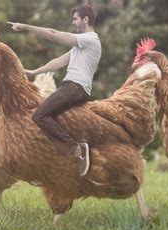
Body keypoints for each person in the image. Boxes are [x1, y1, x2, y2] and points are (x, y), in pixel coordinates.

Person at [8, 4, 101, 176]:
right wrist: (35, 71)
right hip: (72, 87)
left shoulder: (90, 40)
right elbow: (59, 61)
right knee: (46, 115)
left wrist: (26, 27)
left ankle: (76, 148)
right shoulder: (80, 47)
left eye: (75, 19)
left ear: (86, 19)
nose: (73, 23)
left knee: (39, 115)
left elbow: (53, 34)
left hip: (75, 87)